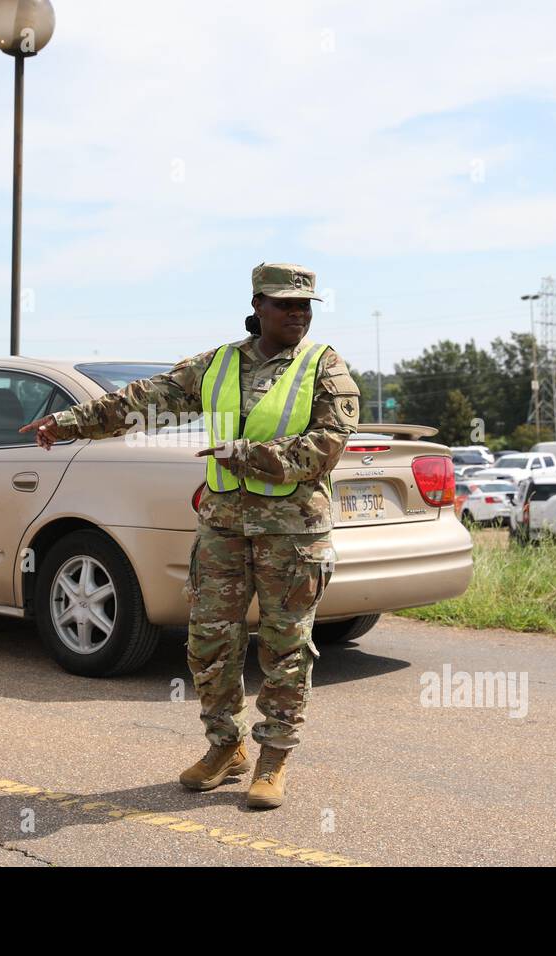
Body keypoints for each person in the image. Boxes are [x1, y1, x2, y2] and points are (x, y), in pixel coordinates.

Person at [19, 263, 360, 809]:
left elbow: (328, 444)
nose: (298, 313)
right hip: (223, 528)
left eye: (305, 305)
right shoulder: (218, 364)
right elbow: (142, 400)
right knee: (209, 642)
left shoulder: (325, 367)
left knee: (284, 646)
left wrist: (247, 455)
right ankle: (226, 747)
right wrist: (69, 423)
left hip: (292, 536)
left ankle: (273, 757)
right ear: (258, 306)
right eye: (285, 304)